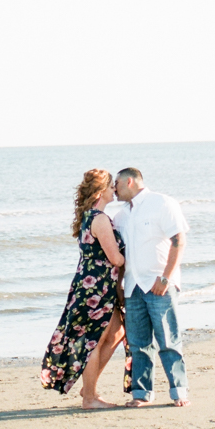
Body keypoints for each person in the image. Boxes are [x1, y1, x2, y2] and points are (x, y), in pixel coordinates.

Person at [40, 169, 131, 409]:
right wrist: (135, 257)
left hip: (95, 285)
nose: (115, 189)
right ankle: (90, 398)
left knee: (116, 331)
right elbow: (116, 259)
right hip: (95, 289)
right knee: (95, 340)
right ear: (102, 191)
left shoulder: (91, 216)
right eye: (111, 186)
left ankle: (88, 387)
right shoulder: (99, 219)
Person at [114, 167, 190, 407]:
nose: (113, 189)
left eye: (116, 183)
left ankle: (179, 393)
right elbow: (120, 255)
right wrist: (119, 286)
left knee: (168, 340)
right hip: (133, 287)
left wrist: (166, 278)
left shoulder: (162, 203)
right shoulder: (121, 216)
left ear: (129, 182)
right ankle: (141, 394)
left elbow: (178, 240)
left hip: (159, 284)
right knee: (138, 344)